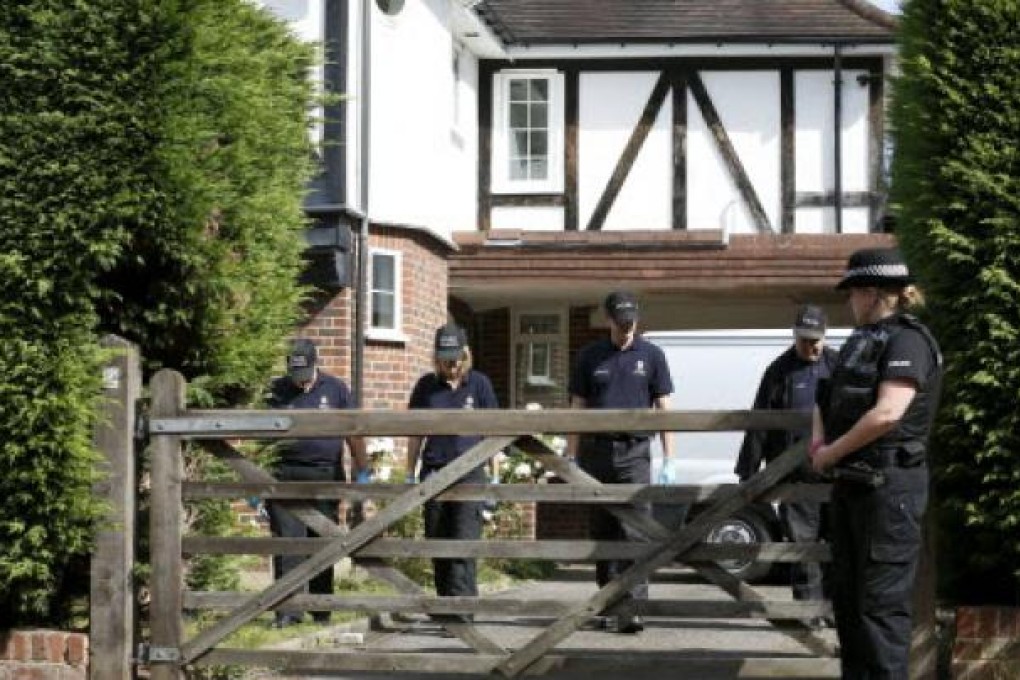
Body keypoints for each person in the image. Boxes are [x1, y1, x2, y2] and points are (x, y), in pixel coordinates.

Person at [810, 247, 942, 679]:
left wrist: (831, 452)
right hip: (853, 485)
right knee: (849, 604)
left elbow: (888, 413)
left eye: (853, 294)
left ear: (871, 293)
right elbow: (825, 397)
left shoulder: (907, 340)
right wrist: (818, 440)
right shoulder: (860, 341)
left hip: (889, 490)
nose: (849, 302)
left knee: (880, 609)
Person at [566, 290, 675, 634]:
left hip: (635, 453)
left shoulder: (653, 355)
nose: (627, 329)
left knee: (636, 531)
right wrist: (570, 455)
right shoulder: (590, 356)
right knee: (603, 531)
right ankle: (606, 605)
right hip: (596, 453)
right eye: (621, 322)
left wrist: (669, 458)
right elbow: (577, 408)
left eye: (632, 323)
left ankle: (633, 608)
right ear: (609, 320)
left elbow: (665, 409)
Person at [735, 304, 838, 622]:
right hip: (795, 476)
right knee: (801, 544)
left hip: (835, 472)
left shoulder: (838, 364)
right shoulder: (779, 371)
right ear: (795, 336)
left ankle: (835, 608)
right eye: (805, 339)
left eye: (816, 339)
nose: (812, 346)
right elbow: (760, 421)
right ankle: (808, 610)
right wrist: (749, 472)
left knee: (837, 540)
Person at [266, 338, 369, 628]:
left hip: (325, 474)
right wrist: (258, 480)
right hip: (285, 474)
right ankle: (288, 611)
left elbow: (354, 430)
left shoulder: (336, 389)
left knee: (321, 542)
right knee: (288, 543)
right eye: (294, 374)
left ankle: (321, 609)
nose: (299, 381)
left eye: (303, 374)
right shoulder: (276, 390)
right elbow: (261, 436)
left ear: (315, 365)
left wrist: (362, 471)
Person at [405, 322, 499, 616]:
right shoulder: (425, 387)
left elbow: (493, 432)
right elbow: (414, 433)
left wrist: (494, 478)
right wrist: (409, 472)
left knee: (464, 541)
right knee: (438, 541)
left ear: (465, 354)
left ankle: (463, 608)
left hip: (470, 473)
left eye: (455, 357)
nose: (451, 363)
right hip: (434, 470)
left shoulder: (480, 384)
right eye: (445, 357)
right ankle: (445, 607)